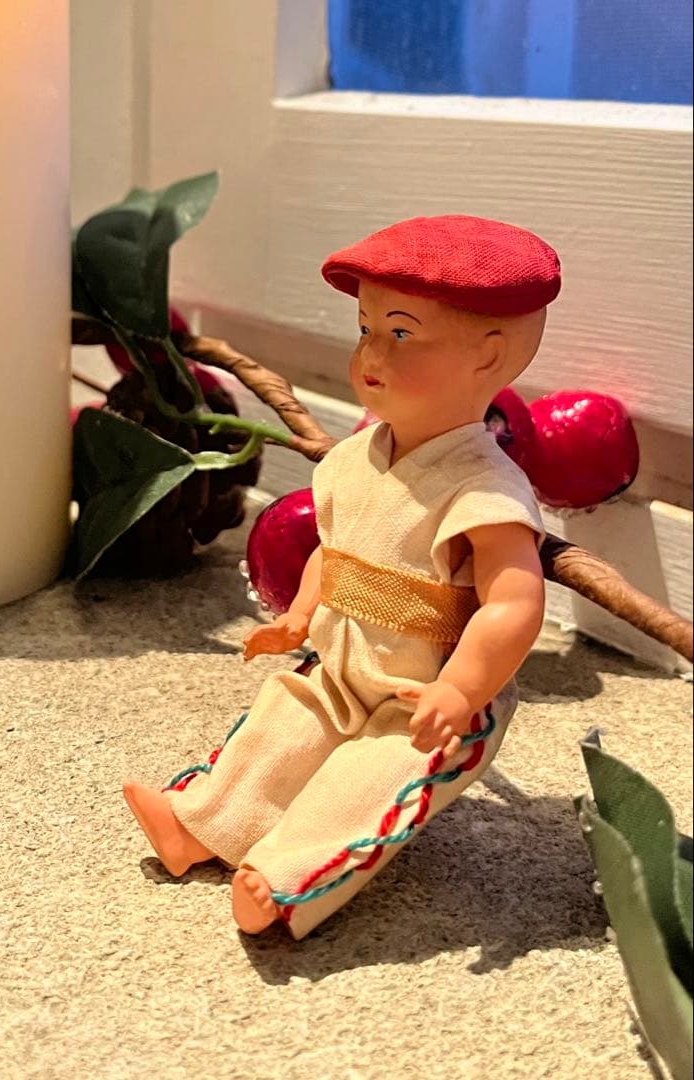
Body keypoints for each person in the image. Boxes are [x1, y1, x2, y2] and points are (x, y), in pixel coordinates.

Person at [123, 215, 561, 940]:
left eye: (400, 334)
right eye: (365, 329)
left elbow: (513, 602)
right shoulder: (356, 460)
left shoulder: (482, 488)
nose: (369, 354)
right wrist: (299, 616)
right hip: (342, 661)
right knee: (281, 727)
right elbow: (335, 549)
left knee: (366, 783)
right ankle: (199, 825)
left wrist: (462, 688)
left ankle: (287, 882)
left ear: (487, 358)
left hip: (425, 691)